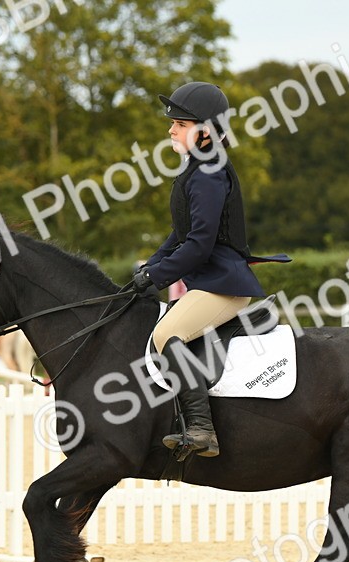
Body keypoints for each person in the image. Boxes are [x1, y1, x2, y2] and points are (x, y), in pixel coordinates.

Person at [131, 81, 266, 458]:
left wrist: (157, 277)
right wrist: (150, 267)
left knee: (167, 334)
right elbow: (180, 233)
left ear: (204, 130)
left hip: (223, 285)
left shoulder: (208, 173)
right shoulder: (199, 168)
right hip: (209, 282)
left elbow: (199, 244)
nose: (170, 129)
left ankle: (201, 427)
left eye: (180, 123)